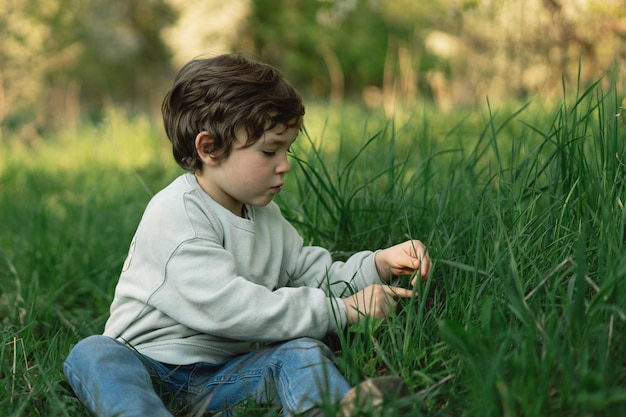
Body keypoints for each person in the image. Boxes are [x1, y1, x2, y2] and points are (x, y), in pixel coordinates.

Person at [63, 53, 431, 417]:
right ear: (209, 148)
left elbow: (310, 273)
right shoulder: (175, 214)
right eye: (269, 151)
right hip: (148, 367)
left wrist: (377, 265)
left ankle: (330, 410)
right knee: (96, 353)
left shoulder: (265, 216)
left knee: (300, 349)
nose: (284, 165)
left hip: (224, 378)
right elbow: (231, 308)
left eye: (287, 149)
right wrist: (341, 312)